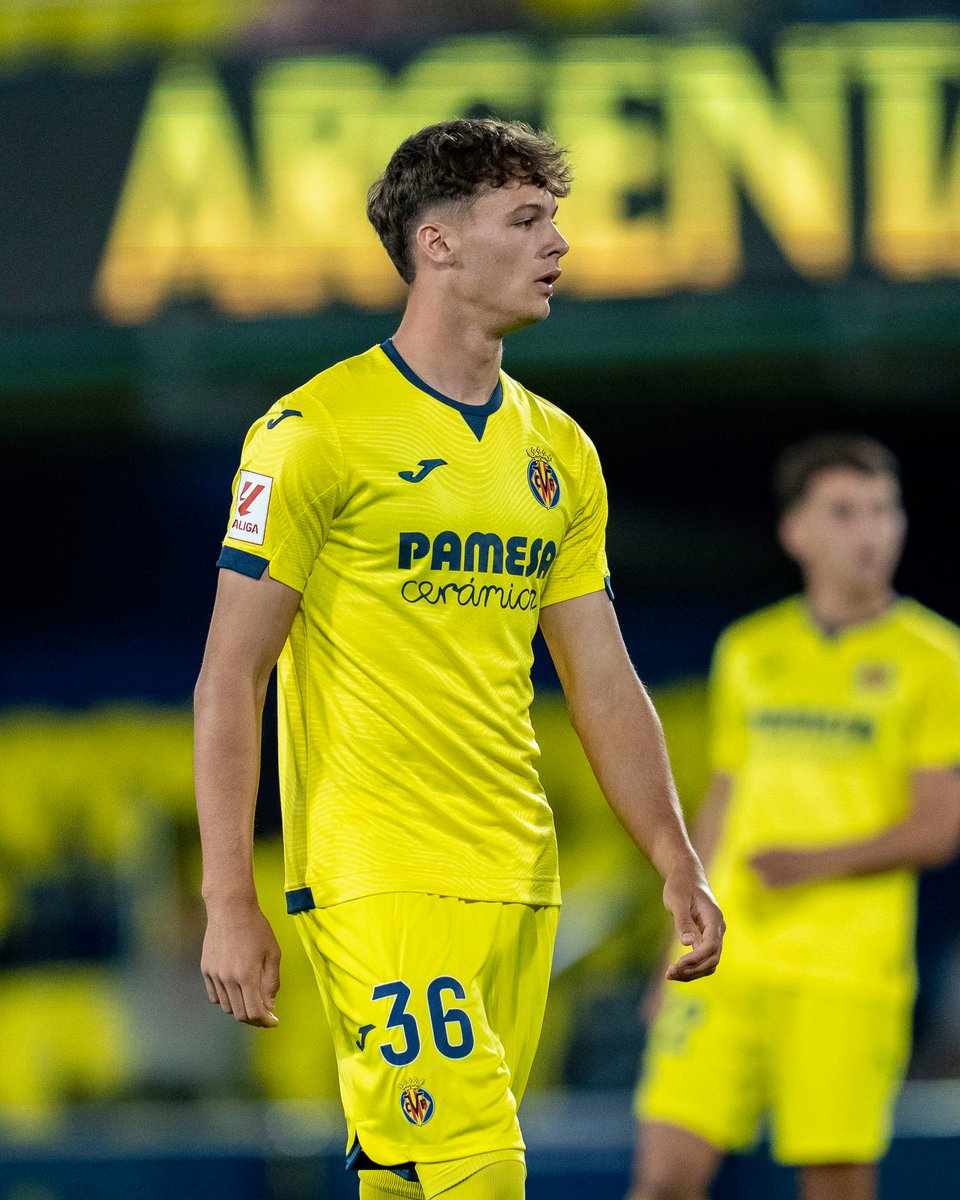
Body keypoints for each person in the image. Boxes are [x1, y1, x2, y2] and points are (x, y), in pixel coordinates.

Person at [193, 117, 724, 1200]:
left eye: (554, 223)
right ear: (436, 244)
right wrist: (227, 897)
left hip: (520, 873)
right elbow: (230, 676)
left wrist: (674, 854)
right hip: (375, 871)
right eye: (526, 221)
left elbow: (602, 679)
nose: (557, 247)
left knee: (411, 1175)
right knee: (483, 1170)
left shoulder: (559, 452)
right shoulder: (314, 432)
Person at [630, 433, 960, 1200]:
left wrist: (811, 862)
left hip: (845, 976)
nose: (870, 531)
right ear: (796, 532)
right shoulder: (751, 650)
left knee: (835, 1185)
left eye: (883, 510)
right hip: (725, 963)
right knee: (663, 1180)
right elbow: (721, 803)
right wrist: (666, 955)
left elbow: (940, 826)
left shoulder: (934, 658)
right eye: (845, 512)